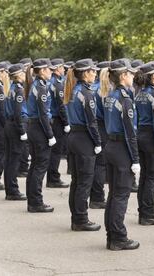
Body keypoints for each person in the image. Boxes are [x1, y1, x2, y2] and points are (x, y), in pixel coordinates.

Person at [101, 58, 140, 250]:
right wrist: (135, 159)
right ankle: (118, 237)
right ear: (123, 76)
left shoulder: (110, 95)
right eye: (131, 73)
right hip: (121, 149)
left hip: (111, 146)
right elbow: (130, 132)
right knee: (121, 195)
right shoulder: (124, 99)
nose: (133, 76)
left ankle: (111, 235)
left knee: (114, 194)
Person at [65, 58, 102, 231]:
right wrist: (97, 141)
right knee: (84, 181)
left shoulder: (74, 90)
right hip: (83, 139)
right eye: (93, 71)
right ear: (85, 73)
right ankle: (81, 219)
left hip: (74, 136)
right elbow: (91, 122)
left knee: (77, 180)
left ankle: (76, 217)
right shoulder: (86, 94)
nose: (95, 74)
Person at [134, 61, 154, 225]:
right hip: (152, 137)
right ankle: (148, 214)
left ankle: (143, 211)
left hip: (141, 134)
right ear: (153, 76)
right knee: (153, 177)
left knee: (144, 177)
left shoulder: (139, 93)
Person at [25, 58, 56, 213]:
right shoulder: (41, 87)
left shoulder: (36, 85)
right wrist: (50, 135)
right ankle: (36, 202)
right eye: (49, 69)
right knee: (40, 166)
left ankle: (32, 200)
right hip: (39, 128)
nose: (51, 71)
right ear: (42, 70)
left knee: (35, 165)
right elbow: (44, 114)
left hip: (34, 127)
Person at [3, 63, 28, 200]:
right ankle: (12, 190)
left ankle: (10, 189)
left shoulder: (11, 88)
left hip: (9, 124)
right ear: (18, 75)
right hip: (15, 125)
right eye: (23, 73)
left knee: (9, 159)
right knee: (14, 160)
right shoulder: (18, 90)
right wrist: (22, 130)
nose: (25, 75)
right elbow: (18, 113)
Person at [89, 61, 111, 209]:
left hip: (96, 125)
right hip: (102, 127)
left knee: (97, 164)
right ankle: (97, 197)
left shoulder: (94, 88)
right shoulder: (104, 90)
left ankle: (95, 195)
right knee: (100, 165)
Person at [46, 58, 70, 188]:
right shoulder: (58, 84)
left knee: (54, 151)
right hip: (57, 120)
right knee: (56, 151)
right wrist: (66, 122)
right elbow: (61, 105)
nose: (64, 69)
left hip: (53, 119)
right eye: (61, 67)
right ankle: (53, 178)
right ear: (56, 69)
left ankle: (52, 176)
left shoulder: (51, 82)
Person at [18, 58, 33, 178]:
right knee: (24, 145)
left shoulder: (28, 82)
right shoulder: (23, 84)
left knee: (25, 144)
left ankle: (23, 166)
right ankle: (22, 167)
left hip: (26, 115)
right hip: (23, 115)